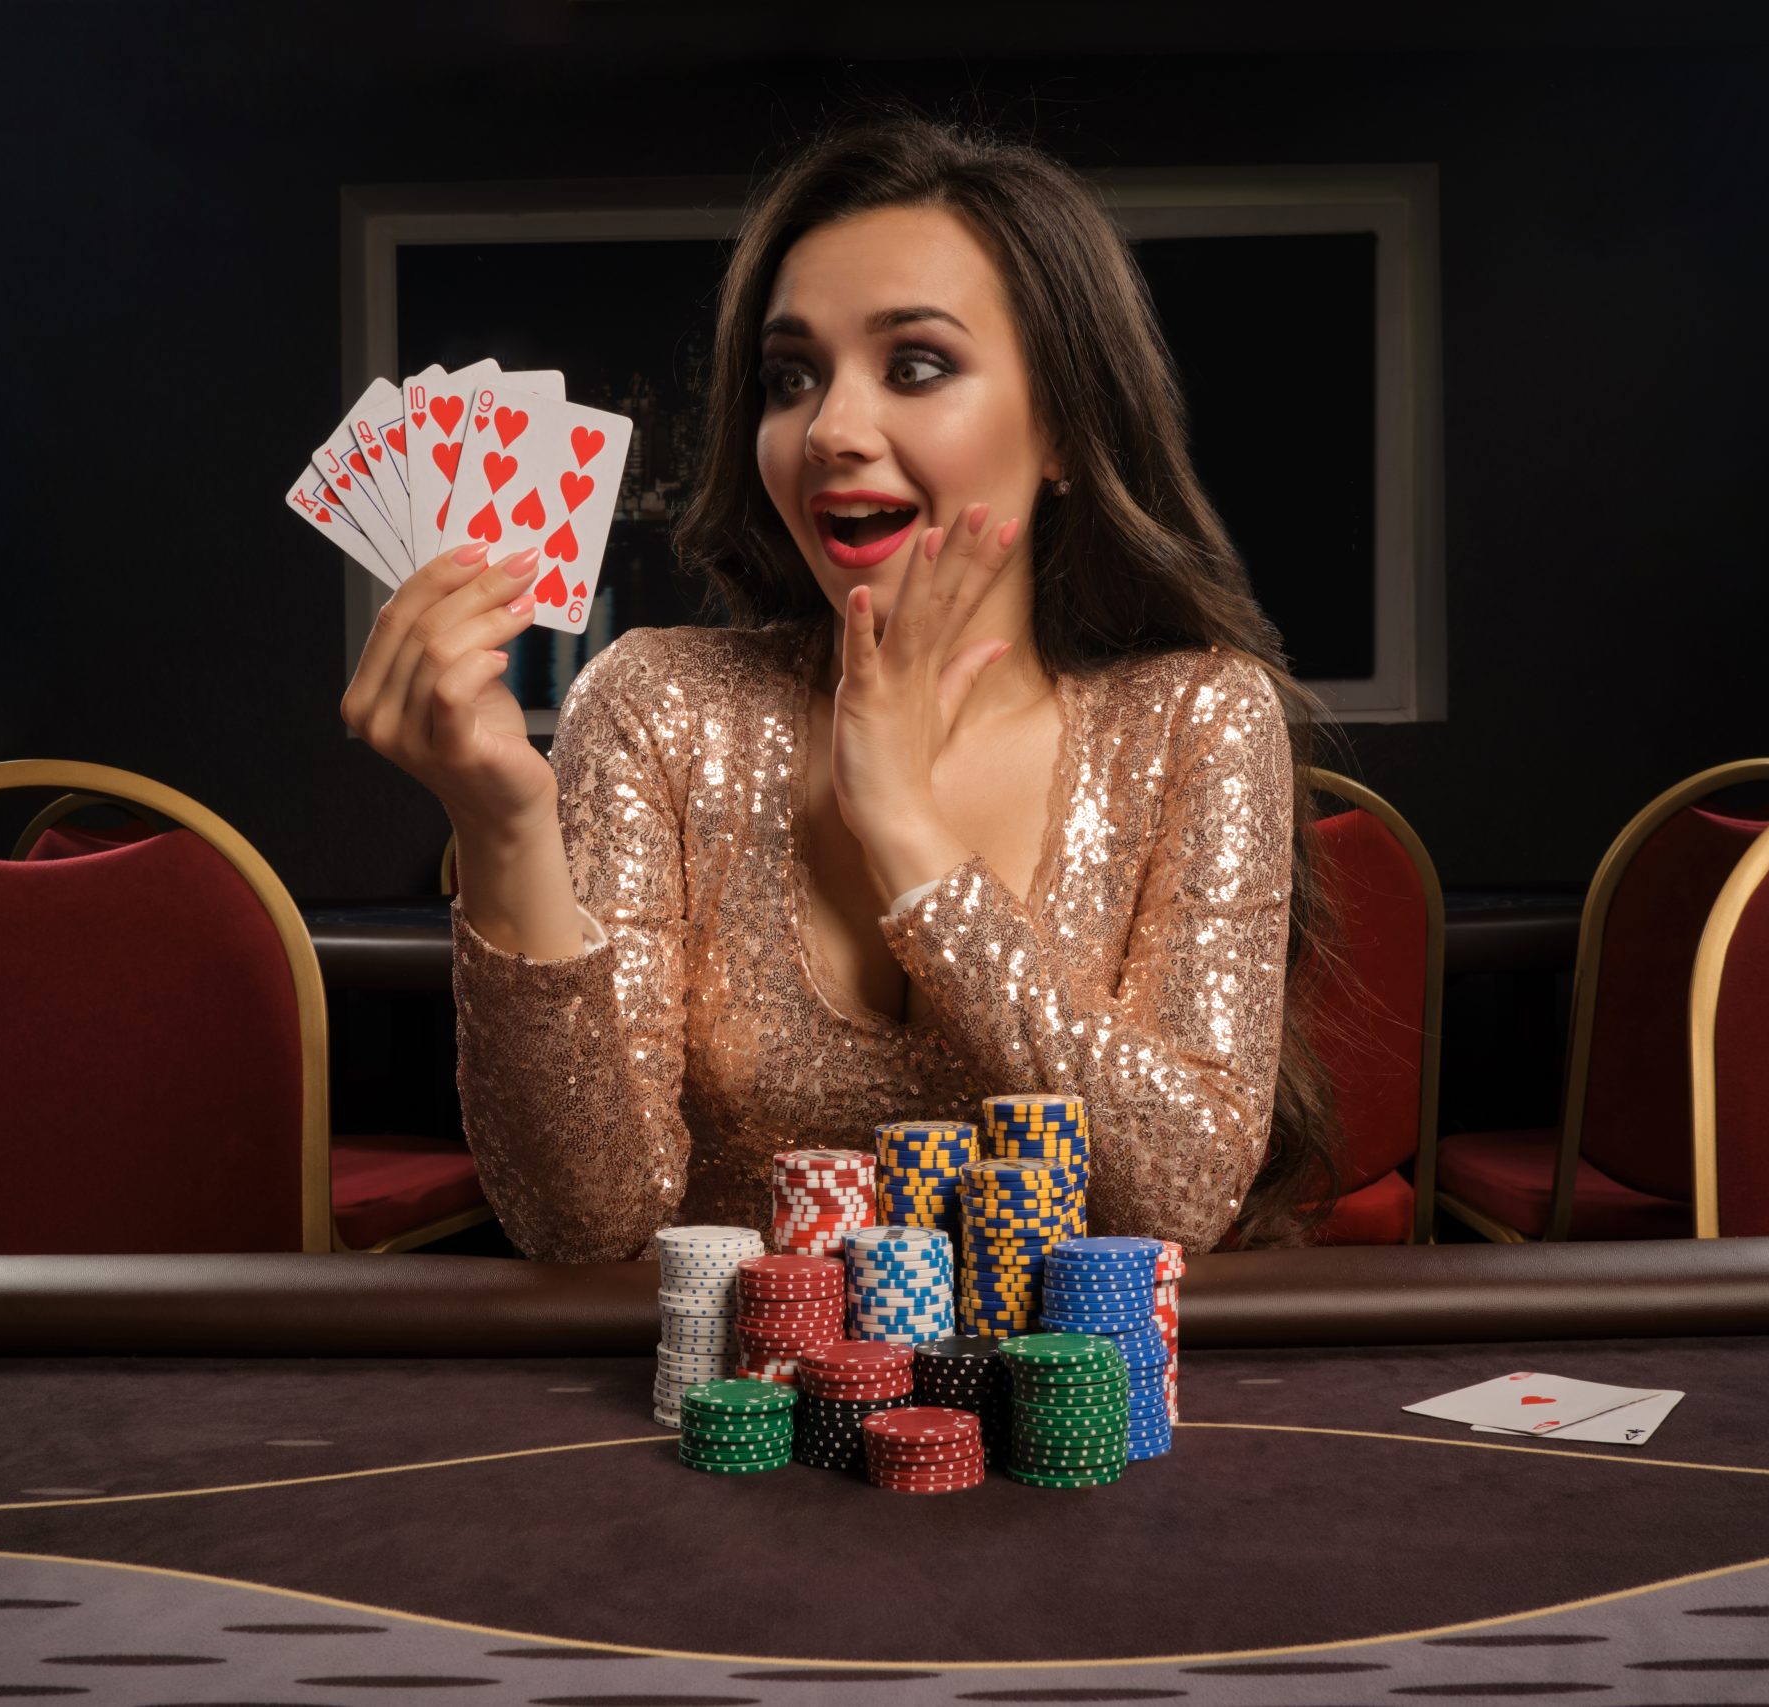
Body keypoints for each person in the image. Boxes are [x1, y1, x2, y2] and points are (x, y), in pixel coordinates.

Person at [342, 111, 1345, 1263]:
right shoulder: (658, 707)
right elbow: (586, 1225)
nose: (829, 429)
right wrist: (501, 826)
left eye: (915, 365)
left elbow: (1175, 1199)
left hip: (1068, 1381)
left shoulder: (1195, 719)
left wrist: (908, 833)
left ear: (1064, 427)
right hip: (731, 1380)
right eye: (791, 377)